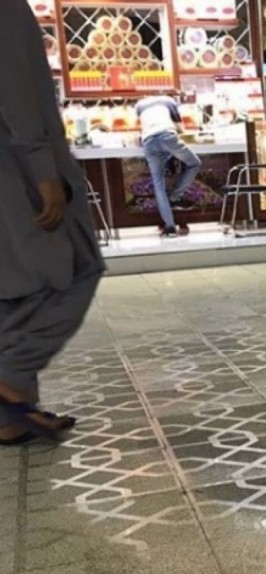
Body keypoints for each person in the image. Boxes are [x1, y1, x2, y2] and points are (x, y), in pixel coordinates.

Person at [0, 0, 104, 445]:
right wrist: (45, 173)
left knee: (12, 288)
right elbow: (17, 92)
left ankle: (11, 415)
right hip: (18, 171)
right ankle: (11, 377)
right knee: (75, 269)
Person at [136, 94, 201, 237]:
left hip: (149, 142)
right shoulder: (169, 101)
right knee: (194, 163)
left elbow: (142, 127)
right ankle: (175, 196)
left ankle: (170, 227)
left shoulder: (139, 105)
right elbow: (179, 126)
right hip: (167, 137)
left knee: (159, 186)